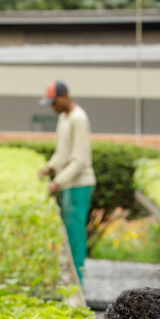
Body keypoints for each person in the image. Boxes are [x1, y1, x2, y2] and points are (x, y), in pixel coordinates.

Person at [37, 80, 96, 282]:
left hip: (79, 185)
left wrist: (57, 182)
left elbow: (80, 159)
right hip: (69, 185)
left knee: (75, 236)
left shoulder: (78, 118)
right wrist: (49, 168)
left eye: (54, 102)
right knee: (69, 235)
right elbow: (62, 152)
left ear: (64, 97)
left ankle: (77, 283)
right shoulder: (64, 117)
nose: (53, 107)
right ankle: (71, 279)